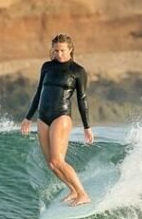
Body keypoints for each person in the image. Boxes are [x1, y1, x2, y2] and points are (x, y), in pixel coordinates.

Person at [20, 33, 95, 206]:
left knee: (57, 160)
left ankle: (83, 194)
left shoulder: (77, 71)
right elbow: (39, 92)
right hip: (43, 117)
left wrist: (87, 126)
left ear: (70, 49)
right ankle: (73, 191)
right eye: (55, 50)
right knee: (52, 164)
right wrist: (28, 117)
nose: (58, 54)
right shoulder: (46, 67)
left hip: (61, 116)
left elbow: (82, 99)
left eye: (62, 50)